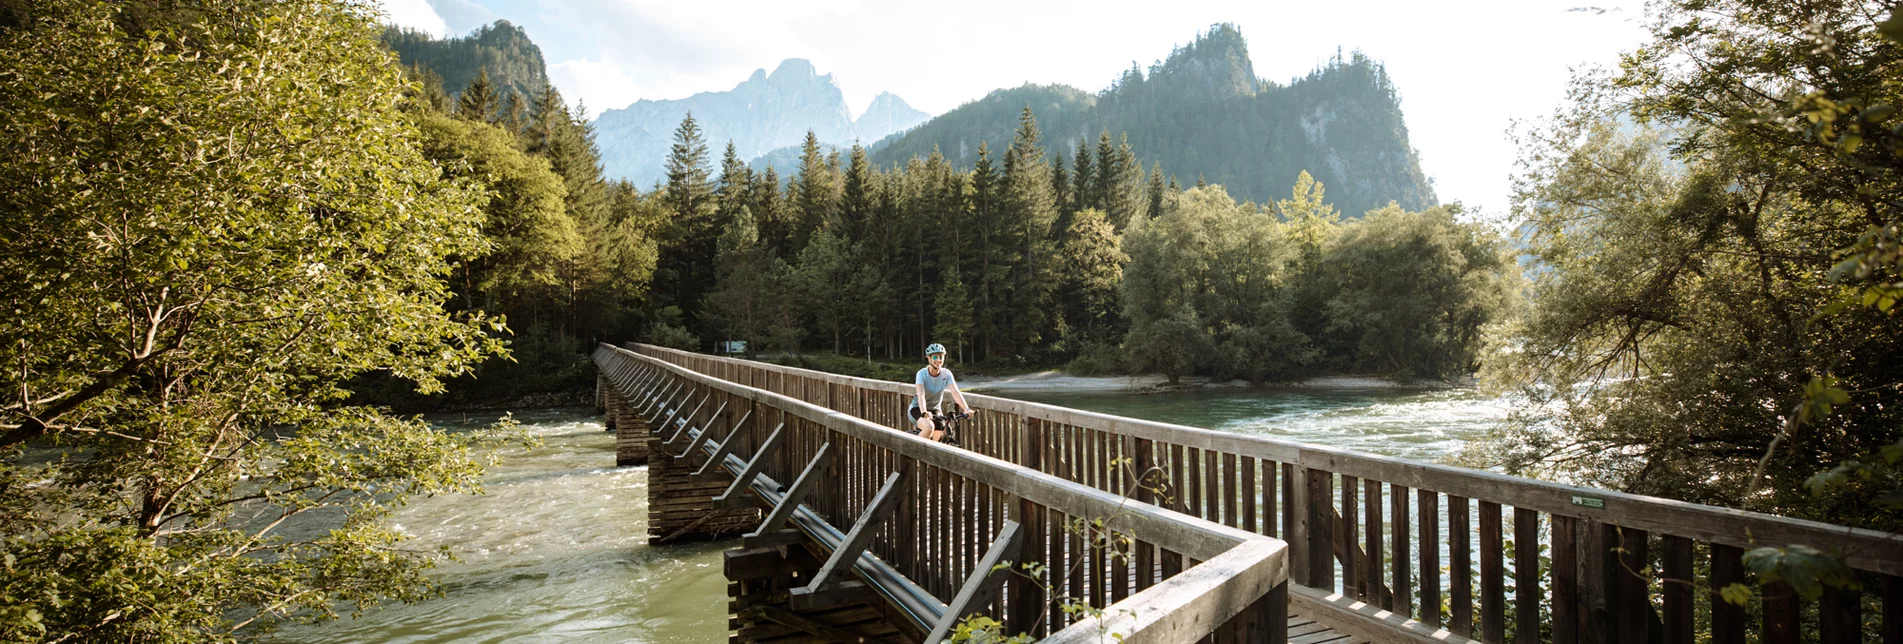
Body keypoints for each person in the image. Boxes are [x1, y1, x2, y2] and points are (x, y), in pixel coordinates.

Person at [909, 343, 971, 442]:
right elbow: (921, 395)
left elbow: (955, 392)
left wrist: (967, 409)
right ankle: (914, 451)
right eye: (935, 357)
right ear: (929, 359)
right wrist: (924, 412)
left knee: (939, 434)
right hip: (917, 409)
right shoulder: (921, 374)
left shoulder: (946, 374)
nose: (938, 360)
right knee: (929, 428)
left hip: (935, 410)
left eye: (941, 357)